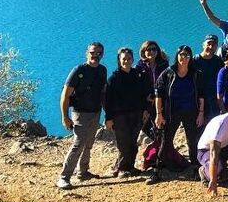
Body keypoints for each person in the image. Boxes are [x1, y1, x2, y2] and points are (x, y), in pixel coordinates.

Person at [150, 45, 205, 184]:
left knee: (192, 141)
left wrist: (201, 113)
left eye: (187, 55)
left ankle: (195, 168)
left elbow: (201, 95)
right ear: (177, 56)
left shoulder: (196, 73)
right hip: (171, 113)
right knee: (165, 141)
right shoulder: (169, 73)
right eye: (181, 54)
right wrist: (159, 114)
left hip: (191, 112)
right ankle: (156, 170)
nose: (184, 58)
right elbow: (158, 93)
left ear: (190, 57)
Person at [57, 42, 107, 189]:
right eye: (93, 52)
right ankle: (64, 177)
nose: (95, 56)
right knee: (78, 144)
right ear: (87, 53)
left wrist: (107, 112)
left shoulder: (102, 70)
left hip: (95, 112)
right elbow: (65, 95)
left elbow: (103, 93)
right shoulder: (79, 70)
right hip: (80, 114)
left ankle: (83, 171)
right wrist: (65, 117)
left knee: (89, 143)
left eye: (99, 53)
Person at [104, 47, 148, 177]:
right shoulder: (113, 78)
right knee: (123, 143)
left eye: (129, 59)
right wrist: (109, 118)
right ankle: (123, 168)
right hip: (120, 116)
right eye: (124, 59)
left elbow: (142, 94)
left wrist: (144, 110)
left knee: (133, 142)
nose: (126, 61)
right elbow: (107, 100)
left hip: (136, 114)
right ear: (119, 60)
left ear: (132, 59)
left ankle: (131, 166)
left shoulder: (137, 75)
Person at [136, 40, 167, 139]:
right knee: (146, 126)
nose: (151, 52)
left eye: (154, 49)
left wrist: (157, 96)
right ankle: (156, 145)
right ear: (143, 52)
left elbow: (167, 83)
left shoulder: (164, 65)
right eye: (148, 49)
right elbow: (138, 86)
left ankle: (163, 150)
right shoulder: (140, 67)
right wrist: (146, 97)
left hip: (161, 100)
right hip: (146, 102)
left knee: (162, 126)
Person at [192, 34, 224, 122]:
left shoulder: (218, 61)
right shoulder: (194, 60)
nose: (211, 46)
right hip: (197, 100)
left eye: (214, 44)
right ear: (203, 44)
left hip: (214, 101)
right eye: (208, 43)